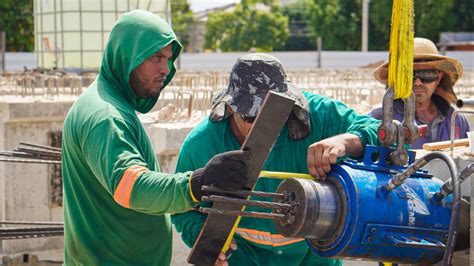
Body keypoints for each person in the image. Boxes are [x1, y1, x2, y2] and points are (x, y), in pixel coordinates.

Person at [61, 10, 251, 265]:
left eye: (169, 59)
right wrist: (195, 184)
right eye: (156, 57)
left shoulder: (110, 105)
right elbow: (131, 187)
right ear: (127, 55)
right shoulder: (106, 117)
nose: (166, 69)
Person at [172, 53, 381, 265]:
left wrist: (346, 141)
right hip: (243, 259)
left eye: (274, 114)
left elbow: (381, 131)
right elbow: (182, 210)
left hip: (312, 258)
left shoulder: (321, 116)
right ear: (231, 107)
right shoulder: (202, 144)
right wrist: (205, 239)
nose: (263, 125)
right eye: (250, 116)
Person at [369, 37, 470, 149]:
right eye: (410, 76)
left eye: (427, 75)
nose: (417, 83)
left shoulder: (456, 119)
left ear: (439, 78)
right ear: (398, 79)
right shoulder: (380, 118)